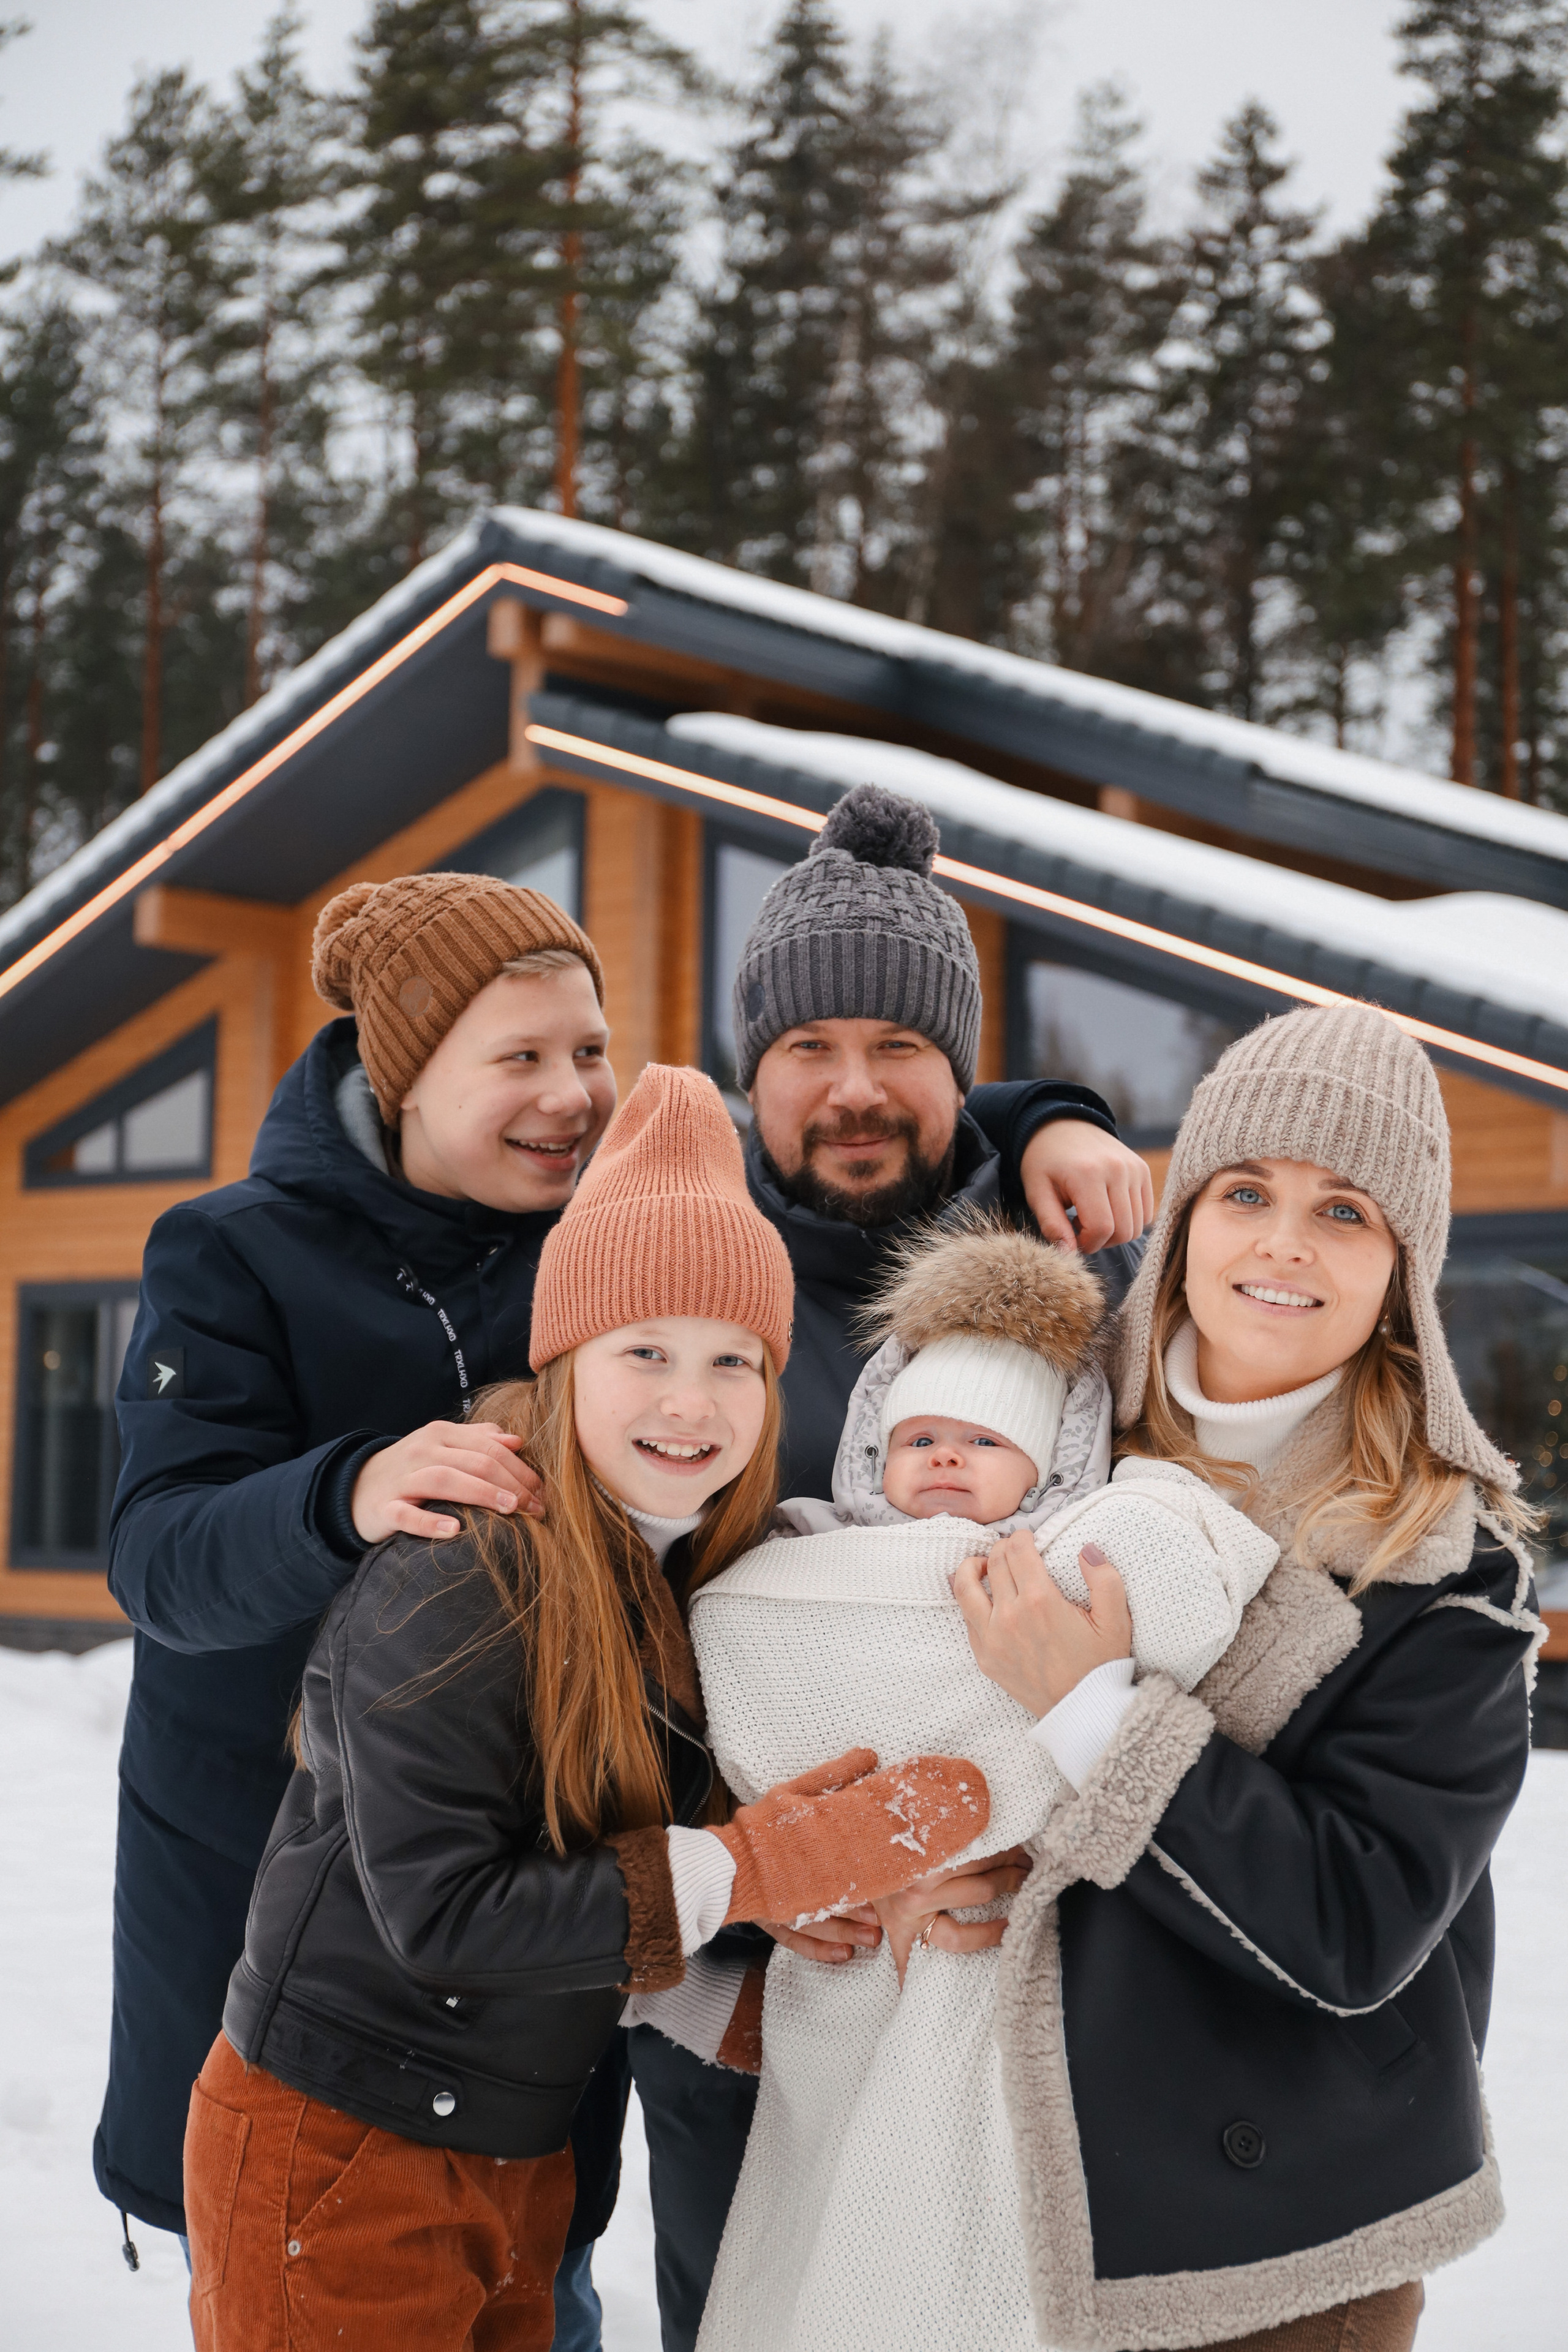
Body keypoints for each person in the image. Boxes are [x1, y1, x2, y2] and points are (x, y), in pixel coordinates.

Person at [182, 1063, 990, 2352]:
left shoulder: (692, 1578)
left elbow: (600, 1860)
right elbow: (444, 1916)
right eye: (645, 1351)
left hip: (527, 2143)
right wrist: (750, 1868)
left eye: (734, 1359)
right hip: (341, 2142)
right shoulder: (468, 1564)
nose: (690, 1400)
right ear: (563, 1361)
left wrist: (737, 1982)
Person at [563, 782, 1155, 2352]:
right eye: (806, 1050)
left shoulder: (1066, 1287)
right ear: (752, 1070)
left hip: (1003, 1960)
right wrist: (737, 1884)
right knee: (741, 2305)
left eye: (899, 1048)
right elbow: (597, 1621)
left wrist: (1045, 1857)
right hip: (745, 1963)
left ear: (959, 1073)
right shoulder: (675, 1279)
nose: (853, 1088)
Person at [945, 1002, 1543, 2352]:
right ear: (1185, 1215)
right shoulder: (1032, 1433)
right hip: (974, 2181)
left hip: (1274, 2252)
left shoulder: (1446, 1573)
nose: (1280, 1241)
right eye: (1246, 1191)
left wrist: (1097, 1712)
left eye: (1344, 1213)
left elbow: (1352, 1922)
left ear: (1402, 1270)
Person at [685, 1218, 1278, 2352]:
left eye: (983, 1441)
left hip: (1025, 1966)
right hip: (850, 1969)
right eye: (920, 1438)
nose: (946, 1459)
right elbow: (747, 1675)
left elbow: (1178, 1559)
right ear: (869, 1454)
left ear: (1052, 1466)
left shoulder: (1069, 1554)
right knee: (827, 2252)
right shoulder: (795, 1570)